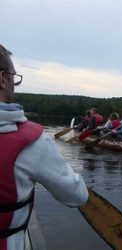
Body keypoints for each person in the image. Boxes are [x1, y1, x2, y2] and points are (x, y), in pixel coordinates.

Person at [0, 44, 88, 249]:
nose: (15, 84)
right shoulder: (32, 141)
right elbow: (77, 196)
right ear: (2, 78)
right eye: (14, 77)